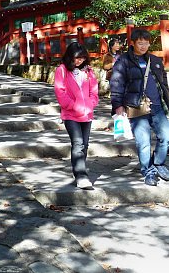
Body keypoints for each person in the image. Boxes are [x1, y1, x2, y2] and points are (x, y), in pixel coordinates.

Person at [110, 28, 169, 186]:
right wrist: (117, 106)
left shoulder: (155, 61)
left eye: (146, 43)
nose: (143, 46)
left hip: (157, 106)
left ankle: (158, 163)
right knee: (143, 142)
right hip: (136, 107)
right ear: (133, 43)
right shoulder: (123, 61)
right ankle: (148, 171)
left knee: (166, 136)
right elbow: (116, 84)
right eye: (140, 43)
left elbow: (163, 84)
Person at [54, 42, 99, 190]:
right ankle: (81, 175)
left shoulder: (89, 71)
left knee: (85, 144)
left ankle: (78, 170)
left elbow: (94, 91)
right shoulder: (62, 70)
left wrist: (91, 104)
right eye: (76, 58)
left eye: (82, 58)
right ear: (69, 56)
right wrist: (73, 105)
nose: (79, 61)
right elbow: (60, 92)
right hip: (70, 114)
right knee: (78, 143)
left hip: (87, 114)